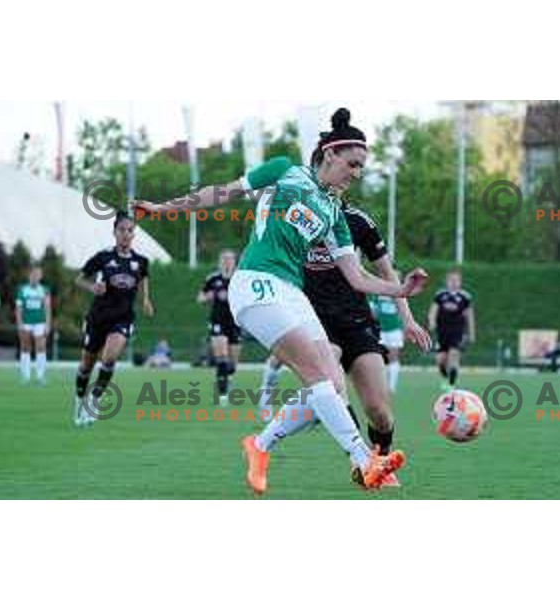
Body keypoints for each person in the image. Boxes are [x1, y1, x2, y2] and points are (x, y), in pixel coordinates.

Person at [137, 108, 428, 493]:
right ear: (329, 154)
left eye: (361, 168)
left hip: (291, 293)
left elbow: (356, 277)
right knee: (318, 376)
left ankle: (260, 445)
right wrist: (166, 208)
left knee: (333, 388)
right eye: (352, 164)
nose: (356, 173)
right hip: (256, 283)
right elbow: (223, 193)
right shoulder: (284, 170)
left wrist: (401, 291)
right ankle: (364, 460)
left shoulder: (335, 215)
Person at [259, 194, 431, 489]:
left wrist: (409, 320)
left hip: (357, 323)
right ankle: (361, 460)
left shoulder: (359, 222)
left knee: (379, 411)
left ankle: (380, 460)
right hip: (316, 323)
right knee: (332, 385)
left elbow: (387, 272)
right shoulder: (296, 219)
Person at [73, 211, 154, 426]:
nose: (126, 234)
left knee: (109, 358)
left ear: (133, 234)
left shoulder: (141, 261)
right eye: (122, 230)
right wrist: (93, 287)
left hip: (123, 318)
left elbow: (144, 277)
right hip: (98, 318)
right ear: (114, 232)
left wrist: (146, 299)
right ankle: (79, 400)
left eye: (130, 231)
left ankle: (95, 398)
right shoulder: (103, 257)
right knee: (86, 366)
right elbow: (79, 279)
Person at [197, 249, 241, 404]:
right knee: (221, 358)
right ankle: (222, 396)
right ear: (220, 262)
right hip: (217, 322)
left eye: (230, 259)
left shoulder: (240, 278)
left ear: (235, 262)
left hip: (235, 323)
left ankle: (227, 379)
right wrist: (208, 297)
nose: (227, 262)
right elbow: (200, 297)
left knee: (232, 366)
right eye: (224, 259)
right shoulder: (213, 278)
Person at [428, 269, 475, 389]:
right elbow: (433, 310)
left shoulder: (465, 297)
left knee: (453, 355)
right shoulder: (440, 295)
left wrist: (471, 332)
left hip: (457, 331)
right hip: (442, 332)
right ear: (447, 281)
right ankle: (445, 378)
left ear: (460, 282)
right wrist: (432, 321)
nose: (454, 282)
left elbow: (469, 316)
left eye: (456, 280)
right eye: (451, 280)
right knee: (440, 360)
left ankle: (452, 383)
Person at [15, 265, 51, 384]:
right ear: (29, 276)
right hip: (26, 322)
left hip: (40, 322)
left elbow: (47, 308)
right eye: (33, 275)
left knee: (41, 347)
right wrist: (19, 323)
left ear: (40, 277)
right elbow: (19, 308)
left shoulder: (45, 290)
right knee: (25, 347)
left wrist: (47, 324)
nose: (35, 277)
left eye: (38, 275)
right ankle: (25, 376)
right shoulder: (22, 290)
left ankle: (40, 376)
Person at [369, 293, 405, 394]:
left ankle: (392, 386)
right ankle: (381, 385)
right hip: (380, 330)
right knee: (379, 358)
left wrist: (404, 330)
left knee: (393, 357)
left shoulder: (397, 294)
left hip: (394, 330)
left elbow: (402, 314)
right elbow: (372, 313)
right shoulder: (375, 294)